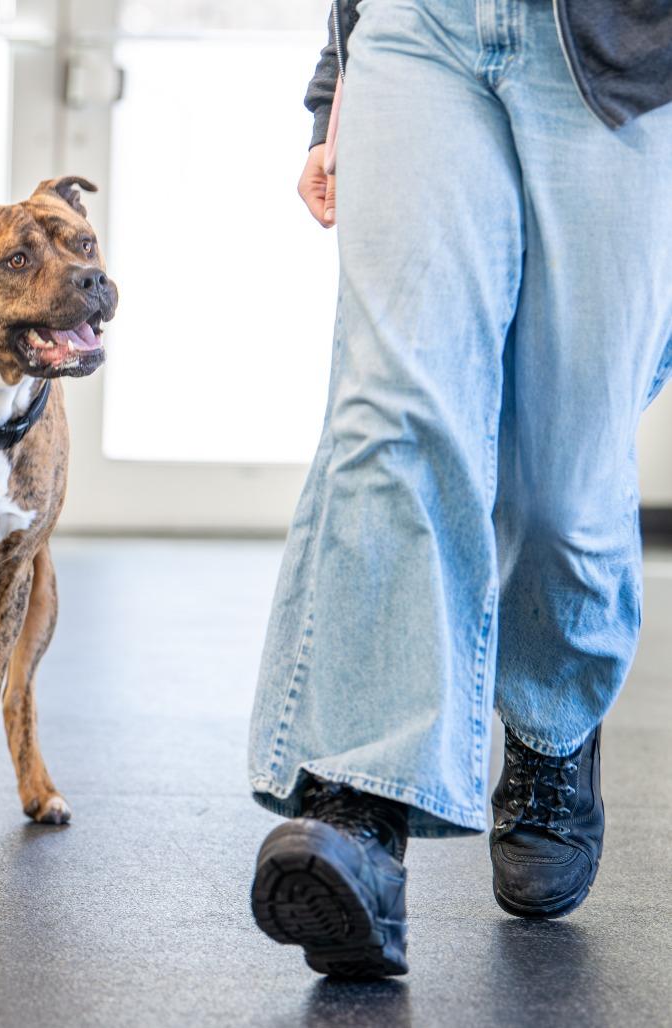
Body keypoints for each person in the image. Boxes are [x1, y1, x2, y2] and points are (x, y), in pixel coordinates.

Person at [247, 0, 672, 980]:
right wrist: (333, 86)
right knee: (396, 410)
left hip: (618, 46)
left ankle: (549, 721)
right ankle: (357, 799)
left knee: (567, 480)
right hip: (416, 30)